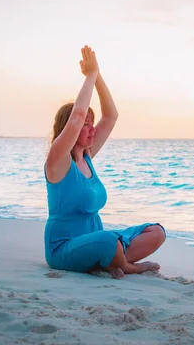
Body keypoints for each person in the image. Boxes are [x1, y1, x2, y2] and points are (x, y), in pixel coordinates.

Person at [44, 45, 166, 279]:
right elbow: (76, 117)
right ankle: (127, 266)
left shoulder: (87, 156)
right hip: (63, 249)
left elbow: (111, 116)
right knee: (109, 240)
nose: (91, 129)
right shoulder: (57, 160)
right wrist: (88, 76)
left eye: (92, 124)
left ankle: (107, 261)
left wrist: (97, 74)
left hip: (99, 242)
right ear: (70, 129)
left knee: (156, 232)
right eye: (85, 125)